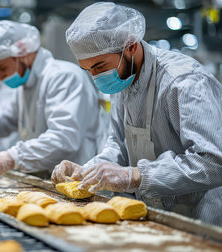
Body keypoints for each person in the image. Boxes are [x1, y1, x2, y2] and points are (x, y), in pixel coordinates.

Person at [52, 2, 222, 226]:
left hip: (197, 220)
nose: (96, 77)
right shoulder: (122, 79)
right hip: (149, 216)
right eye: (88, 70)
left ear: (130, 46)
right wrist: (88, 171)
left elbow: (212, 162)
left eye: (100, 67)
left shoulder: (183, 82)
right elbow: (118, 145)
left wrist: (134, 176)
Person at [0, 20, 104, 184]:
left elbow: (64, 138)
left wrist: (12, 156)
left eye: (1, 68)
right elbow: (5, 119)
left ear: (22, 53)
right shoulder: (25, 87)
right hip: (44, 182)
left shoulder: (63, 77)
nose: (0, 77)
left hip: (76, 184)